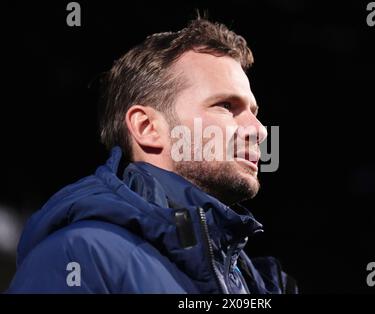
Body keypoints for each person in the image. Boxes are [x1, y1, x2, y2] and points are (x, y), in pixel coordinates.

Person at [8, 18, 297, 293]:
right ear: (147, 128)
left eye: (254, 112)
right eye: (225, 105)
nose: (259, 130)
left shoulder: (256, 282)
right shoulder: (80, 257)